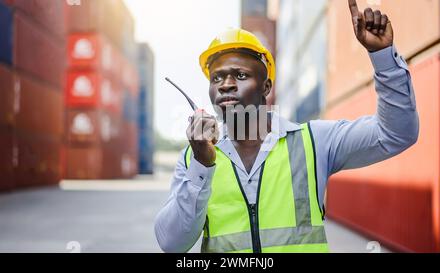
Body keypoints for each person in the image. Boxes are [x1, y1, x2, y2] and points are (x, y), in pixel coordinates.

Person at [155, 0, 419, 253]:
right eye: (217, 78)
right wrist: (202, 166)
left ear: (266, 88)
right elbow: (172, 243)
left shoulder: (313, 142)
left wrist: (383, 56)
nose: (225, 84)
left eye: (241, 75)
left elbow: (395, 134)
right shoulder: (194, 159)